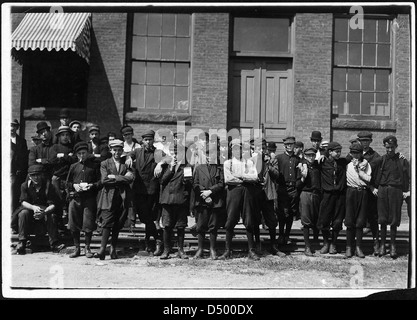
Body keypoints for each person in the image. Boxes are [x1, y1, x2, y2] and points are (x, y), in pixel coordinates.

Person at [126, 130, 170, 255]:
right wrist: (129, 158)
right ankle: (158, 238)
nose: (148, 142)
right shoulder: (138, 151)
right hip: (139, 189)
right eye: (145, 140)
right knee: (145, 217)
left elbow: (168, 157)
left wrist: (160, 163)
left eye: (150, 140)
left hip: (152, 189)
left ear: (153, 141)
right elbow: (129, 154)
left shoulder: (157, 152)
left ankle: (152, 242)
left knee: (150, 216)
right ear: (142, 141)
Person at [220, 138, 261, 260]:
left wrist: (241, 176)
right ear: (231, 150)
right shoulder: (228, 163)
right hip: (233, 192)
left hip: (247, 192)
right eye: (235, 148)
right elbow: (228, 179)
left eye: (239, 148)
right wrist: (244, 179)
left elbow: (254, 177)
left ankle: (251, 250)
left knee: (249, 220)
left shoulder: (249, 163)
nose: (237, 151)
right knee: (231, 219)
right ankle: (227, 251)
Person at [11, 164, 65, 254]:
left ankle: (54, 243)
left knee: (51, 215)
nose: (36, 177)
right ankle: (22, 241)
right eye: (33, 175)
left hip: (45, 210)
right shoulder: (25, 185)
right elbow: (23, 202)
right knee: (23, 213)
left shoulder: (48, 185)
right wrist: (33, 207)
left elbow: (53, 205)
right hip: (30, 210)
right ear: (29, 176)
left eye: (38, 175)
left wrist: (44, 212)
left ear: (42, 175)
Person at [95, 139, 135, 260]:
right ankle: (102, 249)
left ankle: (113, 249)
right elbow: (104, 180)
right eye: (114, 150)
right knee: (107, 222)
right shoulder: (105, 163)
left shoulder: (126, 163)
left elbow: (131, 178)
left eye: (119, 150)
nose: (117, 152)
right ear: (110, 150)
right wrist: (122, 178)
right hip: (108, 196)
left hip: (122, 197)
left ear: (122, 150)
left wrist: (115, 177)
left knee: (118, 224)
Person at [373, 135, 410, 259]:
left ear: (396, 147)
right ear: (384, 146)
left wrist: (407, 191)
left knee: (394, 219)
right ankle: (383, 245)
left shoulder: (402, 160)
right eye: (388, 147)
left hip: (396, 191)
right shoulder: (380, 160)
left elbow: (409, 176)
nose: (390, 150)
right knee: (382, 219)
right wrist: (372, 187)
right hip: (383, 190)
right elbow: (369, 169)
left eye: (392, 147)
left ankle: (393, 245)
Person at [66, 142, 102, 258]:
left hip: (89, 199)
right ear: (77, 155)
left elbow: (100, 182)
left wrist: (92, 185)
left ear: (88, 153)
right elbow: (67, 182)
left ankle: (87, 247)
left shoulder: (94, 166)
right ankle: (77, 248)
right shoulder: (73, 166)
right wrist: (74, 186)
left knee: (88, 223)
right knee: (73, 223)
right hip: (75, 198)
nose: (82, 155)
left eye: (84, 153)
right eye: (80, 153)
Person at [159, 144, 193, 260]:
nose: (176, 155)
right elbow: (162, 181)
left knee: (180, 227)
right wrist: (171, 168)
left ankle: (181, 250)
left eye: (179, 153)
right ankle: (166, 250)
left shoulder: (187, 166)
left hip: (180, 200)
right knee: (167, 226)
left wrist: (186, 181)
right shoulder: (165, 166)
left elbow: (189, 184)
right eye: (174, 153)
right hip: (167, 200)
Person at [253, 139, 285, 257]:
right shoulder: (251, 160)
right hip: (255, 194)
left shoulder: (272, 160)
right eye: (258, 147)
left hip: (268, 194)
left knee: (271, 220)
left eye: (263, 147)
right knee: (255, 219)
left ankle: (273, 246)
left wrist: (268, 164)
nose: (261, 150)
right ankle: (257, 245)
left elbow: (276, 175)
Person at [192, 143, 225, 259]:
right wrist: (204, 195)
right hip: (202, 201)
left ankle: (212, 249)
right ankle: (200, 249)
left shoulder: (219, 168)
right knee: (200, 226)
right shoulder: (199, 168)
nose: (209, 156)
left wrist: (210, 192)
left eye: (212, 154)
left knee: (213, 226)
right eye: (207, 154)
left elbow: (221, 183)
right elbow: (195, 184)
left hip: (215, 201)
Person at [317, 142, 348, 254]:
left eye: (340, 151)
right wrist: (321, 156)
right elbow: (306, 160)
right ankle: (326, 243)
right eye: (337, 152)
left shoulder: (343, 162)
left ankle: (333, 244)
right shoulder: (322, 162)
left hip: (339, 196)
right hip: (327, 195)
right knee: (324, 219)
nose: (339, 154)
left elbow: (358, 156)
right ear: (330, 152)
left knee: (337, 221)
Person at [356, 131, 381, 256]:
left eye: (366, 141)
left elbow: (377, 175)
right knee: (359, 218)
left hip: (370, 192)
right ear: (359, 141)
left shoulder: (375, 156)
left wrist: (372, 187)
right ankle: (357, 245)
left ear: (370, 141)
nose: (364, 143)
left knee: (373, 218)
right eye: (362, 141)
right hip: (358, 192)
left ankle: (376, 243)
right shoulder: (355, 154)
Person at [345, 143, 371, 258]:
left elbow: (369, 179)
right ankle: (349, 247)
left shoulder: (366, 165)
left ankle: (358, 247)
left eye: (358, 153)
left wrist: (359, 170)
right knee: (350, 221)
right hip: (351, 192)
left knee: (360, 221)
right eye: (353, 153)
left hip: (363, 192)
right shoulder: (347, 164)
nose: (355, 156)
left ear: (361, 154)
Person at [276, 136, 301, 246]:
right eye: (287, 145)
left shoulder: (297, 159)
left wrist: (297, 187)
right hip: (282, 189)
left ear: (294, 146)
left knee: (290, 213)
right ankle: (280, 235)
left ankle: (287, 234)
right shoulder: (279, 158)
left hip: (293, 189)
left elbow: (300, 175)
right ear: (284, 146)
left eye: (291, 144)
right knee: (282, 213)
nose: (289, 146)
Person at [50, 126, 77, 229]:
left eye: (67, 135)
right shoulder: (55, 147)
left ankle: (70, 225)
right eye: (63, 135)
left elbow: (74, 160)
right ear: (59, 137)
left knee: (69, 199)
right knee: (57, 199)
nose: (65, 137)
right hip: (57, 177)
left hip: (69, 177)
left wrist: (63, 156)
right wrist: (68, 157)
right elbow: (52, 160)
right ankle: (58, 224)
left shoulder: (72, 147)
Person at [298, 147, 321, 256]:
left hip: (317, 194)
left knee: (316, 218)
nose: (311, 157)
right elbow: (297, 185)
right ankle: (307, 247)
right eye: (308, 155)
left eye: (313, 155)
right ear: (305, 156)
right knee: (306, 220)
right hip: (306, 194)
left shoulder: (318, 166)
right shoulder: (301, 166)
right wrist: (303, 177)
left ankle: (315, 242)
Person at [11, 119, 28, 211]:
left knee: (14, 194)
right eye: (10, 125)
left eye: (14, 126)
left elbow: (24, 157)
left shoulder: (22, 141)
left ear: (17, 127)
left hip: (16, 173)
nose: (11, 128)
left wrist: (20, 169)